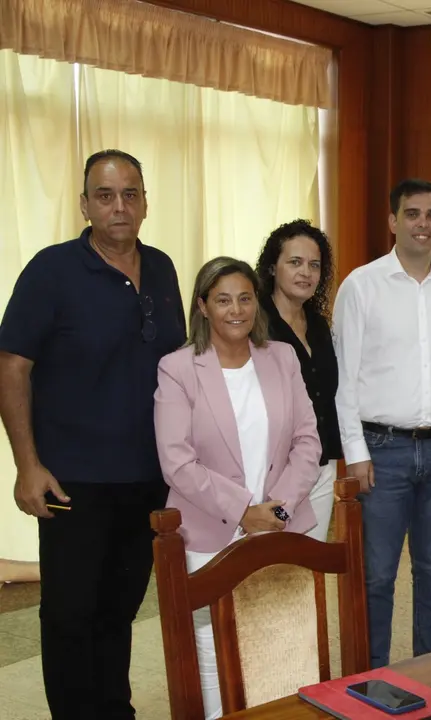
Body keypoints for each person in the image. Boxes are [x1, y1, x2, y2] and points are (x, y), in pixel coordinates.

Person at [0, 149, 186, 719]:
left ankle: (114, 710)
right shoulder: (51, 270)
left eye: (130, 193)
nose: (119, 206)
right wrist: (27, 465)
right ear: (85, 205)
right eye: (104, 196)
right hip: (73, 480)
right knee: (69, 615)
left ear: (146, 202)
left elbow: (179, 367)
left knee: (120, 609)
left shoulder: (161, 268)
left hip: (146, 479)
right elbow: (12, 367)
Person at [154, 257, 321, 718]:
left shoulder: (281, 357)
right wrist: (245, 510)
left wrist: (278, 511)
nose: (236, 309)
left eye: (245, 298)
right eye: (223, 299)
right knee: (213, 648)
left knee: (285, 638)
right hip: (209, 533)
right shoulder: (178, 368)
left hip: (282, 528)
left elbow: (308, 440)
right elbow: (176, 460)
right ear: (203, 307)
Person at [333, 178, 431, 668]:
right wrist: (356, 452)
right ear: (392, 220)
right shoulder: (361, 285)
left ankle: (429, 671)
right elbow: (346, 379)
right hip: (382, 452)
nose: (424, 224)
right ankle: (373, 677)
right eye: (414, 214)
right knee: (377, 575)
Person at [256, 219, 341, 541]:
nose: (305, 272)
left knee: (308, 569)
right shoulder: (254, 325)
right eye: (295, 262)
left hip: (320, 466)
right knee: (269, 570)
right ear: (272, 268)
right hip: (274, 470)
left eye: (314, 265)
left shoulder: (318, 324)